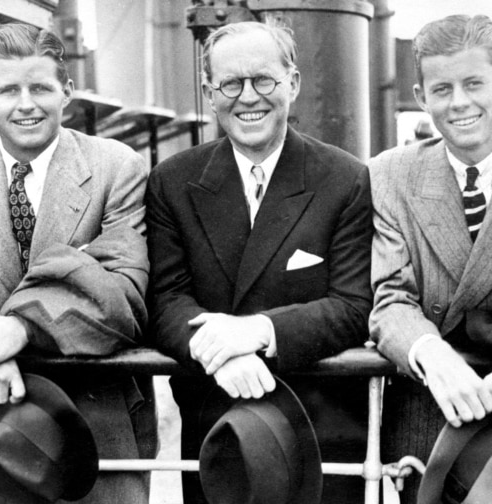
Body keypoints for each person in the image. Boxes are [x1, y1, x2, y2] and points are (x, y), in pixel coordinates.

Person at [0, 23, 156, 503]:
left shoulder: (117, 167)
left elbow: (123, 294)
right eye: (8, 89)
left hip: (97, 418)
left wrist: (19, 329)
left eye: (41, 88)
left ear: (67, 91)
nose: (25, 104)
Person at [147, 20, 373, 504]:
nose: (248, 97)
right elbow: (165, 298)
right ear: (210, 93)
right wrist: (220, 354)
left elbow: (354, 306)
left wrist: (252, 334)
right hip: (217, 423)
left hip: (322, 429)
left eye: (263, 80)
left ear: (292, 82)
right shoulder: (172, 182)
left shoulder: (346, 179)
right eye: (231, 83)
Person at [369, 14, 492, 502]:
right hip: (429, 421)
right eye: (441, 89)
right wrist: (431, 354)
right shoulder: (389, 177)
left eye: (474, 83)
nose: (459, 102)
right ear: (421, 97)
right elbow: (390, 297)